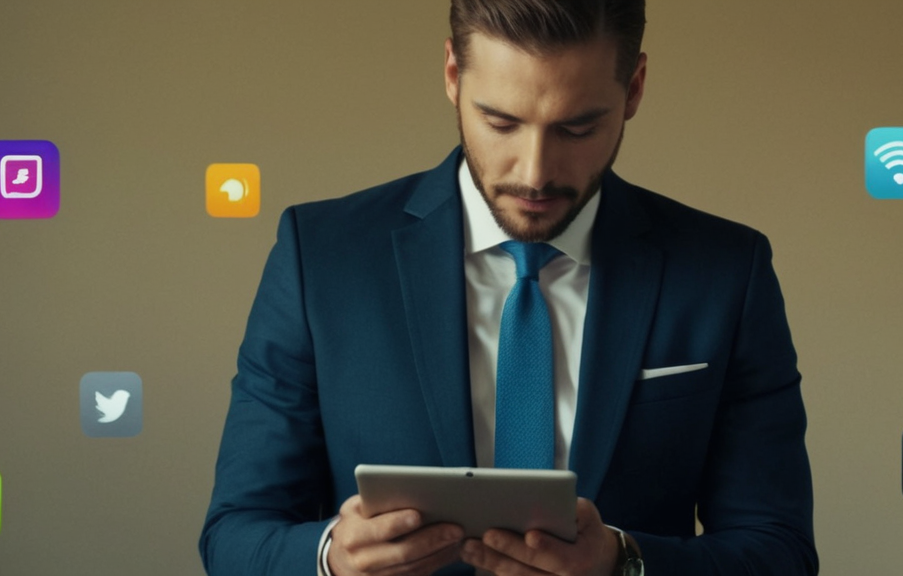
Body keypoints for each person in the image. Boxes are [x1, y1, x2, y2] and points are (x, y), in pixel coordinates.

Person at [199, 1, 816, 574]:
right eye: (500, 121)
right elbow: (234, 533)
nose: (535, 171)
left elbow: (780, 548)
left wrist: (622, 563)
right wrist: (331, 558)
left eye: (577, 129)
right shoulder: (322, 258)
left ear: (633, 90)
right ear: (452, 75)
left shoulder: (727, 272)